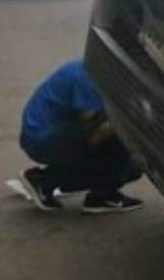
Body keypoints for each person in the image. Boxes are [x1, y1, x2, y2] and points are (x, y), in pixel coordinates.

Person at [16, 59, 143, 213]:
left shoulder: (95, 68)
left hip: (52, 133)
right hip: (42, 139)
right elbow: (92, 126)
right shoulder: (89, 76)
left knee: (132, 167)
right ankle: (46, 182)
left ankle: (98, 192)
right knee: (116, 139)